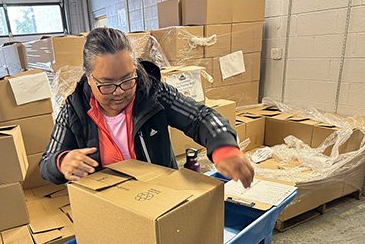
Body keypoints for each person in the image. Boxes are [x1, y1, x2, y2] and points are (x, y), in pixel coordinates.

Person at [40, 27, 254, 188]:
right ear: (89, 78)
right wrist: (62, 162)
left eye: (126, 80)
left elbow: (200, 116)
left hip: (159, 197)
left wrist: (224, 146)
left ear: (134, 69)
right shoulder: (74, 109)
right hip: (107, 208)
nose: (119, 91)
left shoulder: (152, 92)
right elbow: (47, 162)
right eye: (106, 84)